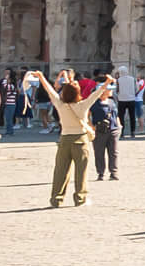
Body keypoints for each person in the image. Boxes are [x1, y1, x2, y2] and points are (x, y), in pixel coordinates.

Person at [27, 70, 106, 207]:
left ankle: (56, 199)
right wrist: (107, 83)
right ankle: (80, 198)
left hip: (64, 139)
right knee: (81, 172)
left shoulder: (60, 105)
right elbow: (96, 94)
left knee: (60, 171)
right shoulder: (83, 105)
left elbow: (50, 90)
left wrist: (41, 77)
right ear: (78, 93)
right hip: (80, 140)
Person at [89, 81, 122, 181]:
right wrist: (91, 126)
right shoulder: (94, 103)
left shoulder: (112, 101)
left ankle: (113, 172)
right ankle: (100, 173)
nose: (111, 91)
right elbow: (86, 115)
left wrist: (119, 125)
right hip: (99, 131)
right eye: (109, 89)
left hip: (113, 130)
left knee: (114, 152)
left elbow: (116, 114)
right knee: (99, 152)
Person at [117, 67, 142, 139]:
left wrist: (118, 96)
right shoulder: (132, 79)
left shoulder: (118, 80)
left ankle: (121, 133)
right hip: (131, 99)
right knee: (132, 116)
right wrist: (134, 94)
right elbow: (137, 88)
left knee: (121, 117)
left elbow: (116, 90)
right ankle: (132, 132)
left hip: (121, 100)